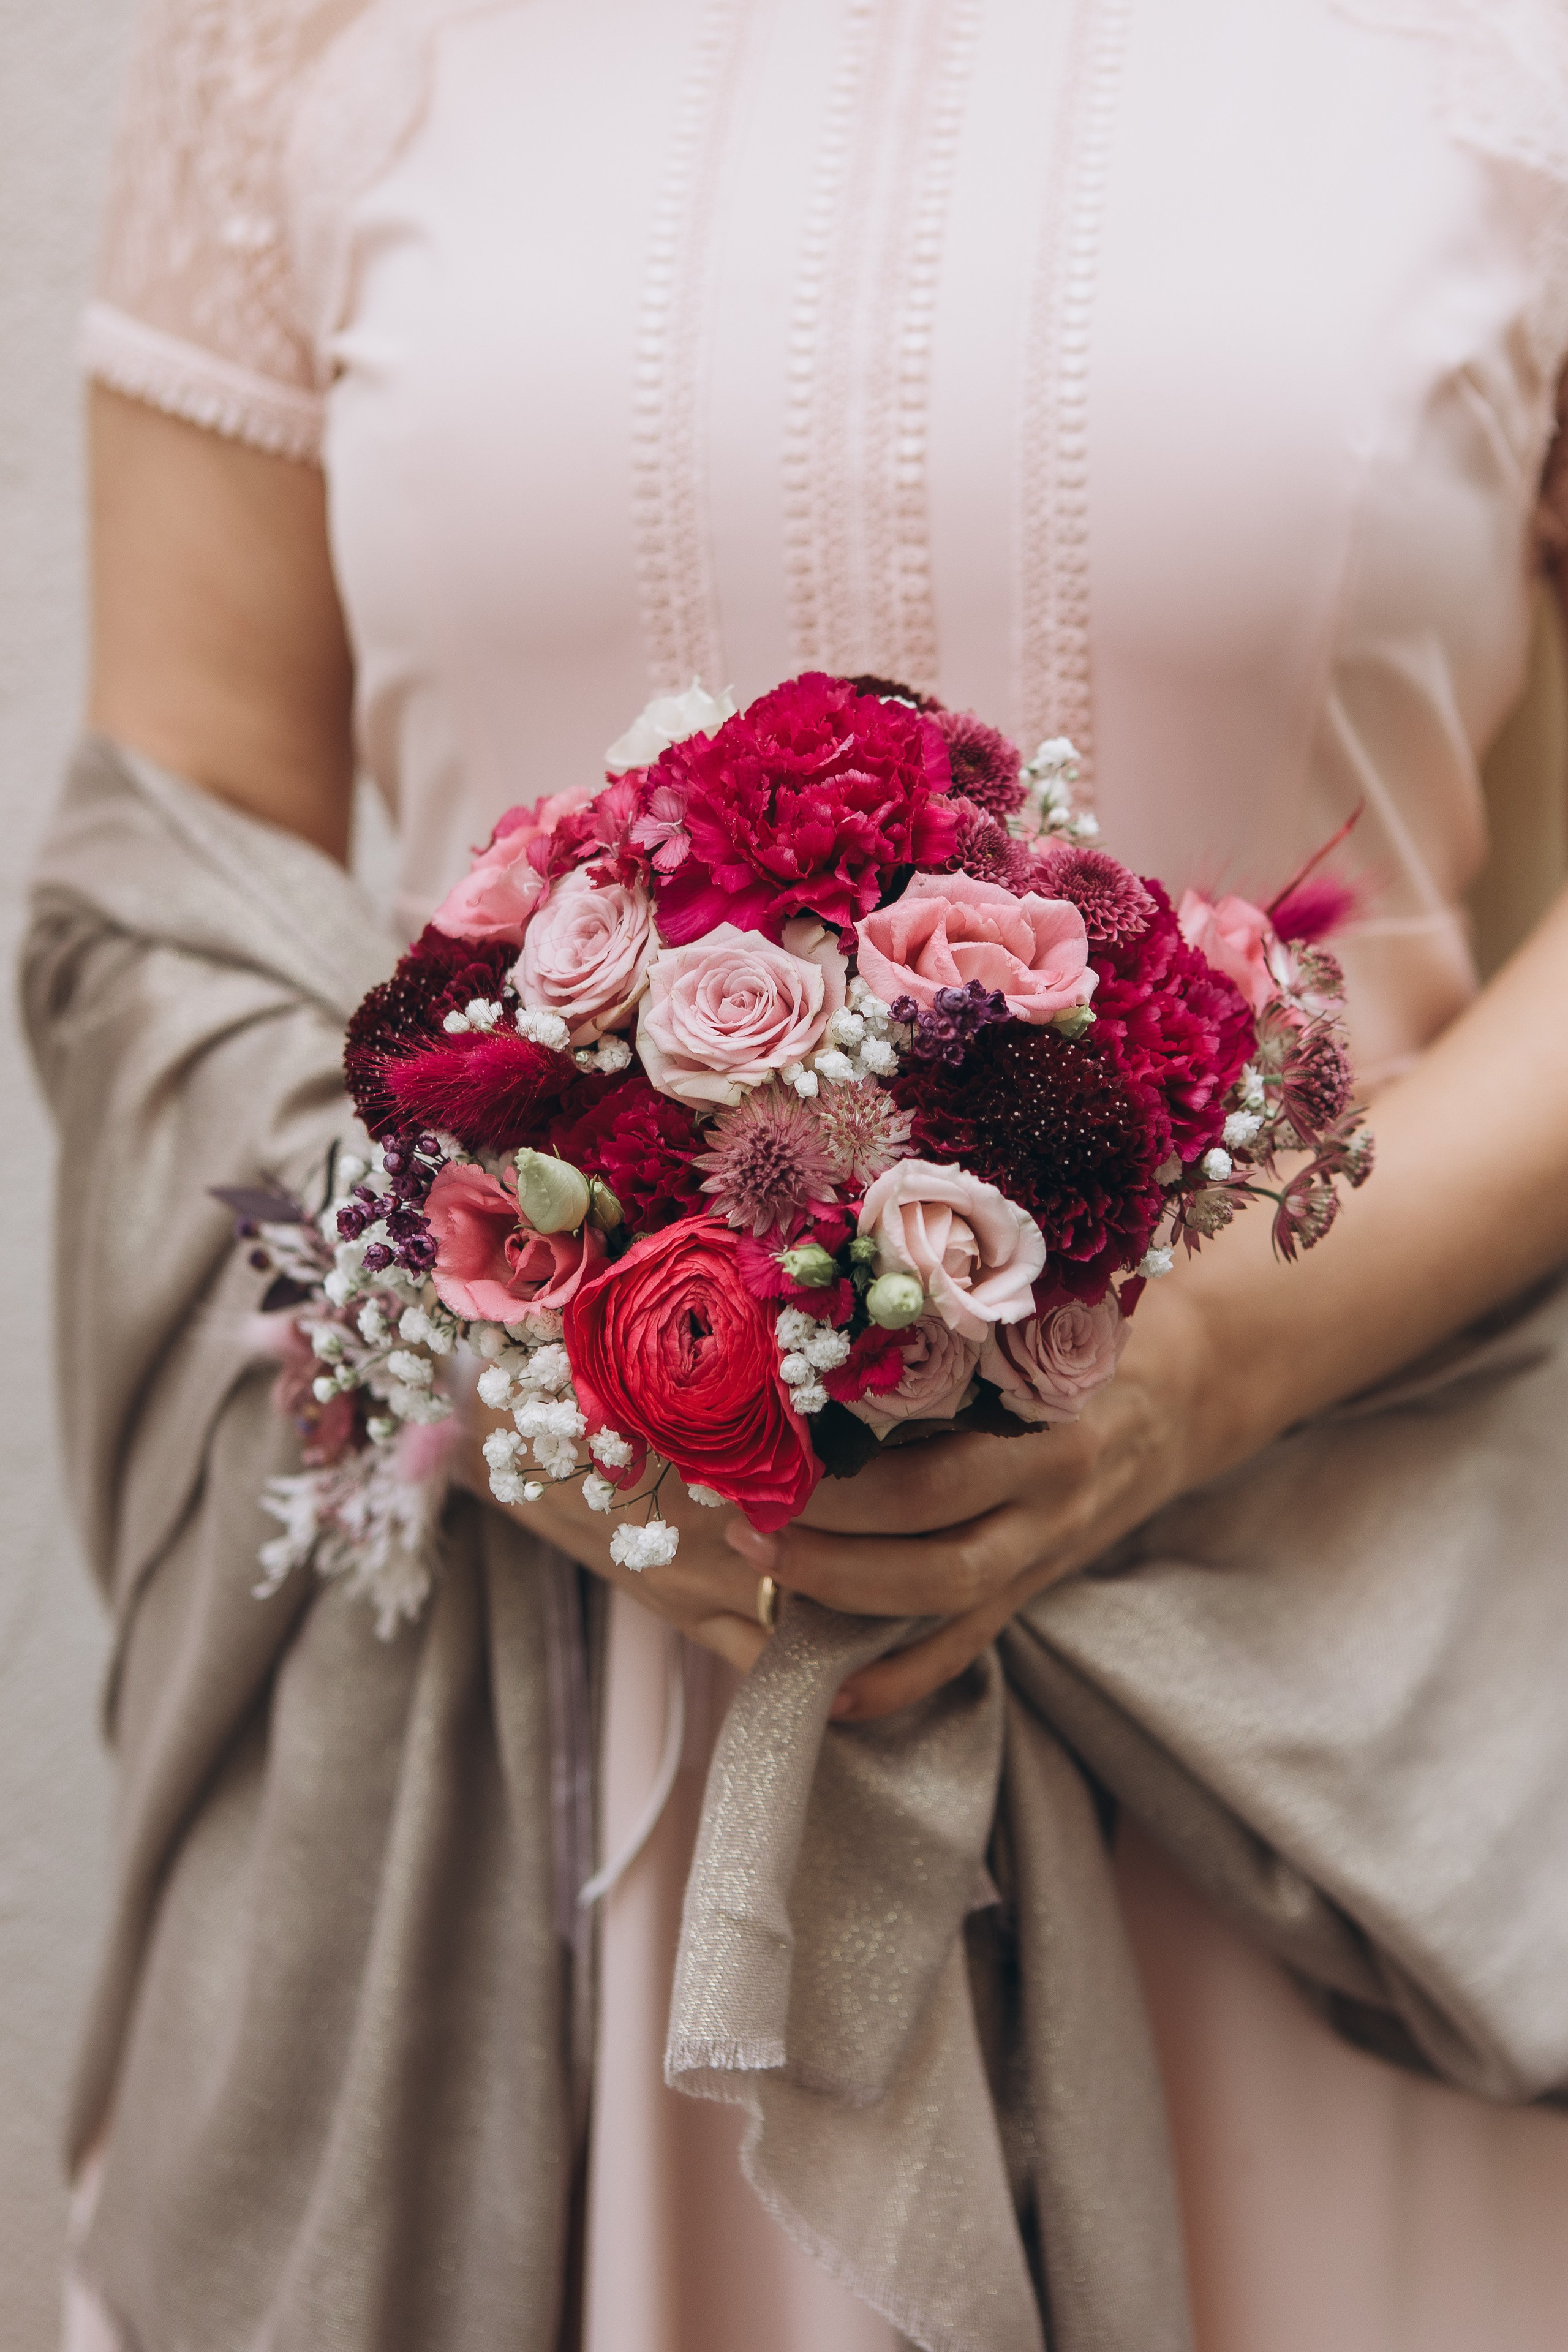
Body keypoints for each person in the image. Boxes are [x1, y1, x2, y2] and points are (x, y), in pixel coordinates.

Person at [34, 0, 1568, 2345]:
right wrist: (533, 1354)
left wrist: (1196, 1366)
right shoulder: (301, 36)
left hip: (1339, 1719)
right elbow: (172, 863)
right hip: (545, 1755)